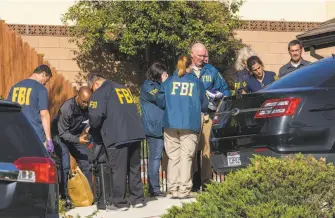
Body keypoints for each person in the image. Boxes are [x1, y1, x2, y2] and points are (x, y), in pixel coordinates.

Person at [87, 73, 145, 211]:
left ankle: (119, 202)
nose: (92, 92)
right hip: (135, 132)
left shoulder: (101, 91)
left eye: (91, 89)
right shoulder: (122, 87)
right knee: (134, 167)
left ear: (95, 84)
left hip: (117, 135)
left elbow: (95, 117)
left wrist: (92, 129)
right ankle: (137, 199)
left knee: (118, 169)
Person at [156, 55, 208, 199]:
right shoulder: (196, 82)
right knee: (186, 157)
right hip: (190, 123)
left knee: (173, 157)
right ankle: (184, 190)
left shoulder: (168, 82)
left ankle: (173, 189)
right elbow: (204, 103)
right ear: (189, 66)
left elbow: (160, 102)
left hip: (170, 123)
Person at [190, 42, 231, 192]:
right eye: (200, 56)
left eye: (204, 55)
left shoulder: (211, 70)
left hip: (207, 115)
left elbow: (226, 90)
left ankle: (206, 182)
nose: (203, 58)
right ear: (192, 55)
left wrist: (218, 97)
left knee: (206, 149)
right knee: (190, 150)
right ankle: (192, 182)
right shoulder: (184, 72)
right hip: (190, 117)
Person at [51, 86, 92, 207]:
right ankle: (64, 197)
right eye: (83, 101)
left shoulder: (89, 106)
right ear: (77, 96)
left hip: (73, 135)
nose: (86, 104)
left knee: (86, 161)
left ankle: (87, 194)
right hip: (59, 136)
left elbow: (87, 123)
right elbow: (63, 133)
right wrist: (78, 139)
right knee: (65, 164)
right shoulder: (67, 108)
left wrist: (87, 128)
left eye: (88, 102)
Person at [7, 64, 54, 153]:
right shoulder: (41, 89)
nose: (45, 83)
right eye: (46, 80)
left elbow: (9, 110)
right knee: (37, 164)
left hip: (16, 134)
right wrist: (48, 139)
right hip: (35, 135)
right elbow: (44, 114)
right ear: (43, 74)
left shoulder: (14, 87)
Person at [140, 62, 169, 198]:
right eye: (163, 74)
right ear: (157, 74)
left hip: (164, 126)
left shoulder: (158, 86)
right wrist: (165, 83)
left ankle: (170, 184)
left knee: (170, 157)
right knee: (155, 158)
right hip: (154, 128)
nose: (165, 76)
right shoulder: (148, 87)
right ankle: (154, 189)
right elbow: (161, 100)